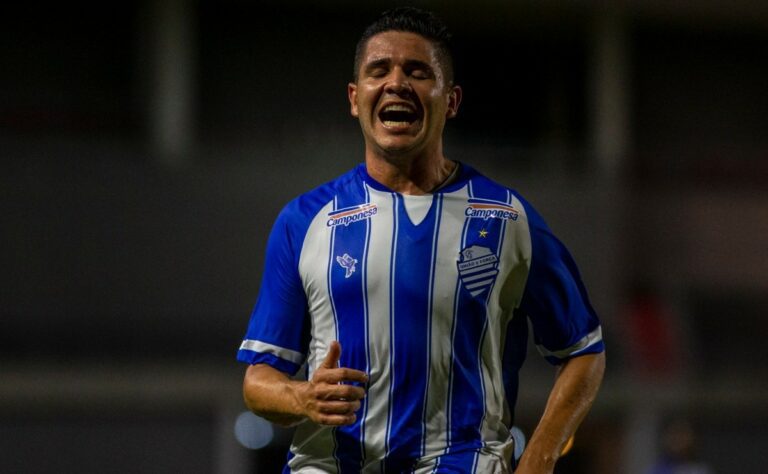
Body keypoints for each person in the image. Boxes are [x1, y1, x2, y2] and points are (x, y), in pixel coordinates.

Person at [237, 7, 605, 473]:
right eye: (379, 71)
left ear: (451, 101)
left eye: (417, 72)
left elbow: (583, 351)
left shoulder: (506, 217)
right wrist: (302, 397)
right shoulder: (304, 221)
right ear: (355, 98)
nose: (396, 83)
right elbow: (258, 381)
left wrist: (539, 459)